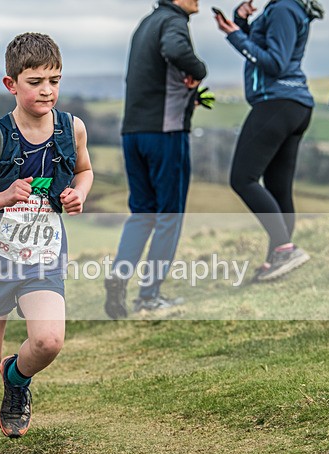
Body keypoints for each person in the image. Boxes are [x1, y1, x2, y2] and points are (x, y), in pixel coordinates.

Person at [0, 32, 94, 454]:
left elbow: (86, 170)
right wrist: (2, 197)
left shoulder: (72, 129)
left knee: (49, 341)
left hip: (44, 255)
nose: (47, 90)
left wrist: (77, 195)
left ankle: (17, 379)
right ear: (11, 84)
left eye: (54, 79)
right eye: (35, 81)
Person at [104, 0, 207, 319]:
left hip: (132, 133)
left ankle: (120, 275)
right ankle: (149, 296)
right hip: (165, 133)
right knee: (169, 215)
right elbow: (175, 49)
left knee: (142, 213)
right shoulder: (174, 21)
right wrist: (199, 71)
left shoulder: (145, 24)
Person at [215, 0, 323, 282]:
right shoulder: (286, 7)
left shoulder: (283, 8)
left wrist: (235, 36)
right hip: (292, 105)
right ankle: (278, 256)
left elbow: (275, 63)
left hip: (278, 103)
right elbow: (266, 51)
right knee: (278, 188)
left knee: (242, 179)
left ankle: (285, 249)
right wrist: (241, 25)